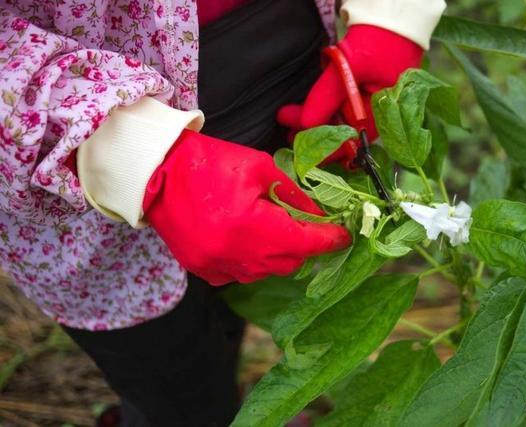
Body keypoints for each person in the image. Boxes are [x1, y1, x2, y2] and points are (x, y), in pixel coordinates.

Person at [0, 0, 446, 425]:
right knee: (171, 377)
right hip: (80, 178)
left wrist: (390, 18)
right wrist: (125, 151)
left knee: (237, 291)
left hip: (285, 67)